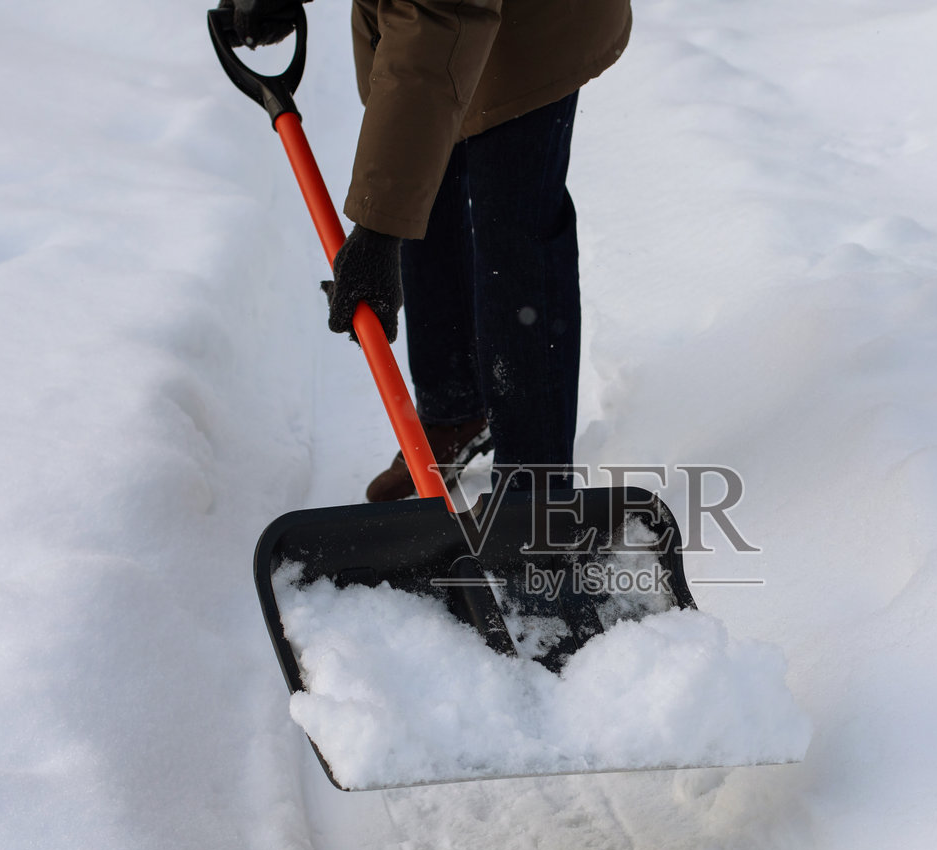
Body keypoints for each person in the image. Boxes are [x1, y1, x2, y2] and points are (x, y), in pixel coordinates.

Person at [225, 0, 632, 501]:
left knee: (514, 221)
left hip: (535, 24)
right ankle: (456, 411)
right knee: (423, 184)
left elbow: (440, 15)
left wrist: (377, 233)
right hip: (426, 15)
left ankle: (535, 494)